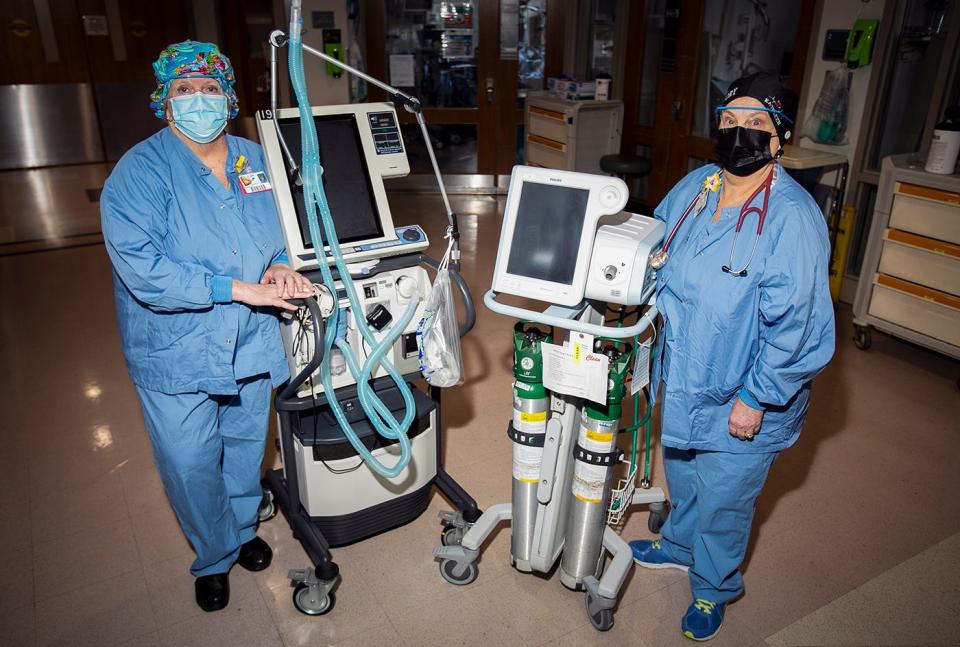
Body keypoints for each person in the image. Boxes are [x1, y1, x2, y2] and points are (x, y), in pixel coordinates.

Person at [100, 40, 314, 612]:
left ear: (229, 96)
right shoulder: (139, 173)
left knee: (246, 446)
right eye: (184, 91)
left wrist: (278, 263)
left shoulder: (255, 159)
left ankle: (243, 529)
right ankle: (213, 553)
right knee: (191, 459)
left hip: (250, 336)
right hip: (177, 348)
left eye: (210, 89)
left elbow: (285, 232)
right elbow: (145, 272)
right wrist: (237, 288)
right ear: (164, 103)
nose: (199, 101)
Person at [628, 73, 836, 641]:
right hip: (690, 371)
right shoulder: (699, 188)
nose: (738, 134)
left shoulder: (792, 218)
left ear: (780, 138)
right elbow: (655, 247)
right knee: (686, 474)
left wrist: (757, 397)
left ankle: (713, 586)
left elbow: (800, 327)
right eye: (728, 121)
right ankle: (676, 545)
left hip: (746, 389)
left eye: (756, 124)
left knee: (725, 496)